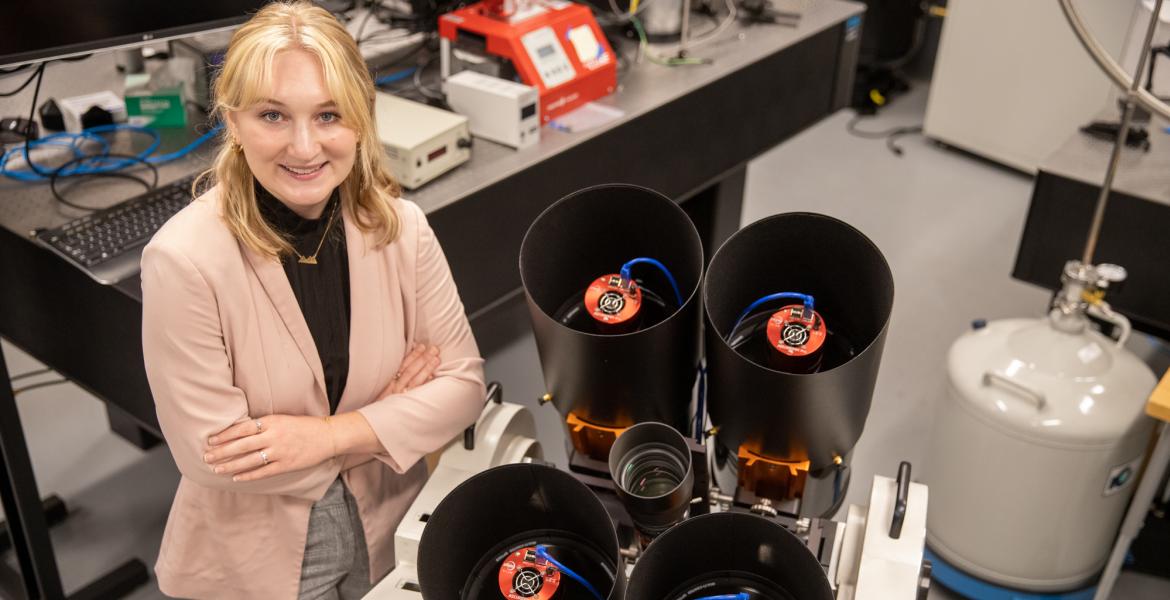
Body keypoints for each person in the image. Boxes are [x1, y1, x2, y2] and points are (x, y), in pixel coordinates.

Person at [140, 2, 485, 598]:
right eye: (273, 115)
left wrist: (328, 434)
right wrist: (388, 415)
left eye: (328, 115)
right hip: (260, 555)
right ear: (233, 120)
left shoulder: (402, 227)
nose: (304, 148)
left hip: (393, 521)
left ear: (361, 119)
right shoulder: (183, 260)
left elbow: (465, 390)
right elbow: (213, 459)